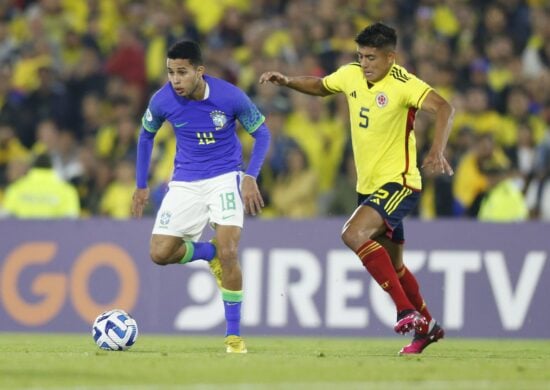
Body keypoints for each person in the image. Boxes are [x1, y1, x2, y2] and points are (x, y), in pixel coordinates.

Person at [260, 22, 454, 355]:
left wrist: (436, 149)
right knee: (394, 267)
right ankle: (428, 328)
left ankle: (405, 311)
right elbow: (322, 86)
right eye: (361, 56)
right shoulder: (351, 74)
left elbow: (445, 108)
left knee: (352, 234)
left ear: (391, 57)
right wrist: (289, 81)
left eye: (372, 58)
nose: (364, 63)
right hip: (369, 187)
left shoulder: (404, 84)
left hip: (400, 182)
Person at [132, 40, 270, 354]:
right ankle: (208, 254)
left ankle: (233, 336)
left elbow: (262, 134)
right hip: (185, 180)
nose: (175, 79)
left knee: (230, 250)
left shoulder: (230, 96)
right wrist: (141, 184)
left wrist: (250, 175)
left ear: (200, 71)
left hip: (225, 177)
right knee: (159, 253)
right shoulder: (161, 100)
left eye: (182, 72)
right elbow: (145, 136)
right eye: (170, 72)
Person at [1, 153, 80, 219]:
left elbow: (5, 218)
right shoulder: (67, 191)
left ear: (32, 167)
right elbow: (71, 220)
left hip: (23, 236)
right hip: (55, 236)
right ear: (52, 167)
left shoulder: (15, 189)